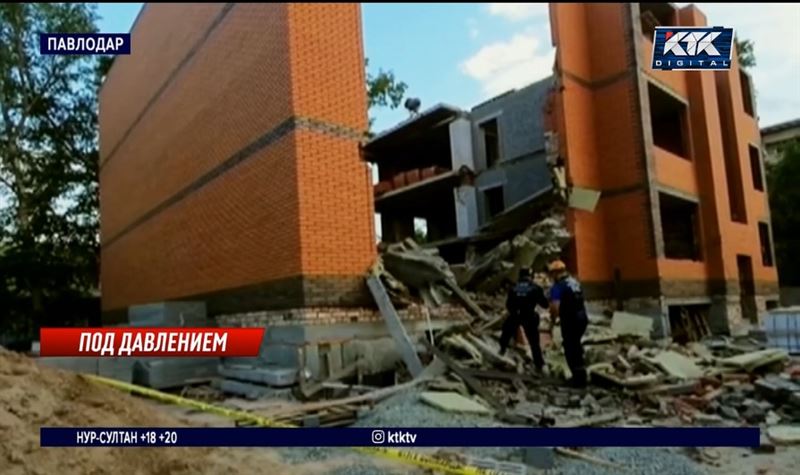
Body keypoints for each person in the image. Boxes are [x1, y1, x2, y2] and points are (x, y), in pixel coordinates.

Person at [547, 259, 589, 388]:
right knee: (576, 346)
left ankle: (577, 380)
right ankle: (582, 376)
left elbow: (555, 307)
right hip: (582, 318)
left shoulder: (558, 286)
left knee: (570, 348)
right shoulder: (574, 282)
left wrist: (553, 321)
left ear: (555, 273)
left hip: (570, 320)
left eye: (552, 274)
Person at [499, 267, 549, 372]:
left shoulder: (514, 288)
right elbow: (545, 304)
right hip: (529, 316)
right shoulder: (535, 288)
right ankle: (539, 365)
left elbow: (509, 305)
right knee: (534, 343)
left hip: (515, 316)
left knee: (505, 336)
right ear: (531, 276)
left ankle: (500, 355)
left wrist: (515, 312)